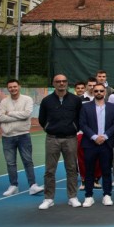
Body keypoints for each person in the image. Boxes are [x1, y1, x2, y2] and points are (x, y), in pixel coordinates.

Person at [37, 74, 82, 209]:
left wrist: (73, 128)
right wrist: (49, 128)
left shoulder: (75, 100)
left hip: (70, 139)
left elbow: (80, 117)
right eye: (58, 81)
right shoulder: (46, 101)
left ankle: (72, 197)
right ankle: (48, 198)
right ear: (54, 83)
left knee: (72, 169)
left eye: (64, 81)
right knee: (50, 170)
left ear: (67, 83)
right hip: (52, 139)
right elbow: (41, 119)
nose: (61, 83)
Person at [0, 80, 44, 197]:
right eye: (10, 87)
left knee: (28, 161)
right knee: (10, 162)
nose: (13, 89)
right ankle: (13, 185)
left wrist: (10, 113)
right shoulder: (3, 102)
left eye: (15, 86)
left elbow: (26, 115)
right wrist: (17, 115)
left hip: (23, 135)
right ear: (8, 89)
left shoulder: (27, 99)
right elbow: (0, 117)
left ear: (19, 87)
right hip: (7, 136)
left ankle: (33, 185)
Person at [78, 83, 114, 207]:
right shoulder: (85, 107)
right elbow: (82, 124)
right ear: (93, 92)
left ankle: (107, 195)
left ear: (105, 92)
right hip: (90, 144)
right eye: (96, 91)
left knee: (106, 171)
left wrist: (105, 136)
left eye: (101, 91)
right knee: (89, 171)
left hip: (106, 144)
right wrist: (95, 137)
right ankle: (88, 196)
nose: (99, 93)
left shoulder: (112, 107)